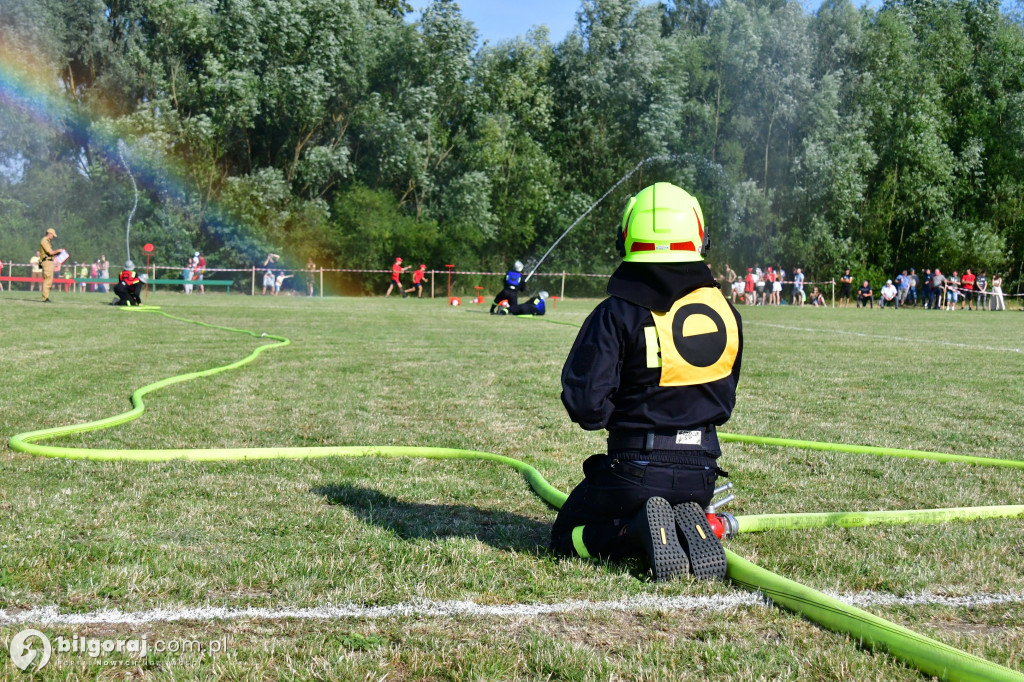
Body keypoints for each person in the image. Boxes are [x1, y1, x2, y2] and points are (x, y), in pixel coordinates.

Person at [552, 182, 741, 582]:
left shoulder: (616, 313)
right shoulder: (726, 312)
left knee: (566, 536)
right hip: (702, 473)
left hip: (634, 472)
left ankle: (635, 531)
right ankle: (685, 520)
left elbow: (585, 405)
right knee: (669, 495)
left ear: (627, 237)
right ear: (698, 238)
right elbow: (724, 399)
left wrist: (621, 416)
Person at [39, 228, 60, 303]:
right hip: (46, 262)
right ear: (49, 234)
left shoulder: (48, 242)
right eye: (53, 235)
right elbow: (50, 252)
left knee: (49, 281)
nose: (53, 237)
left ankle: (46, 297)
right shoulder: (44, 241)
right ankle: (45, 298)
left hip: (49, 262)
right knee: (47, 280)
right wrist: (59, 251)